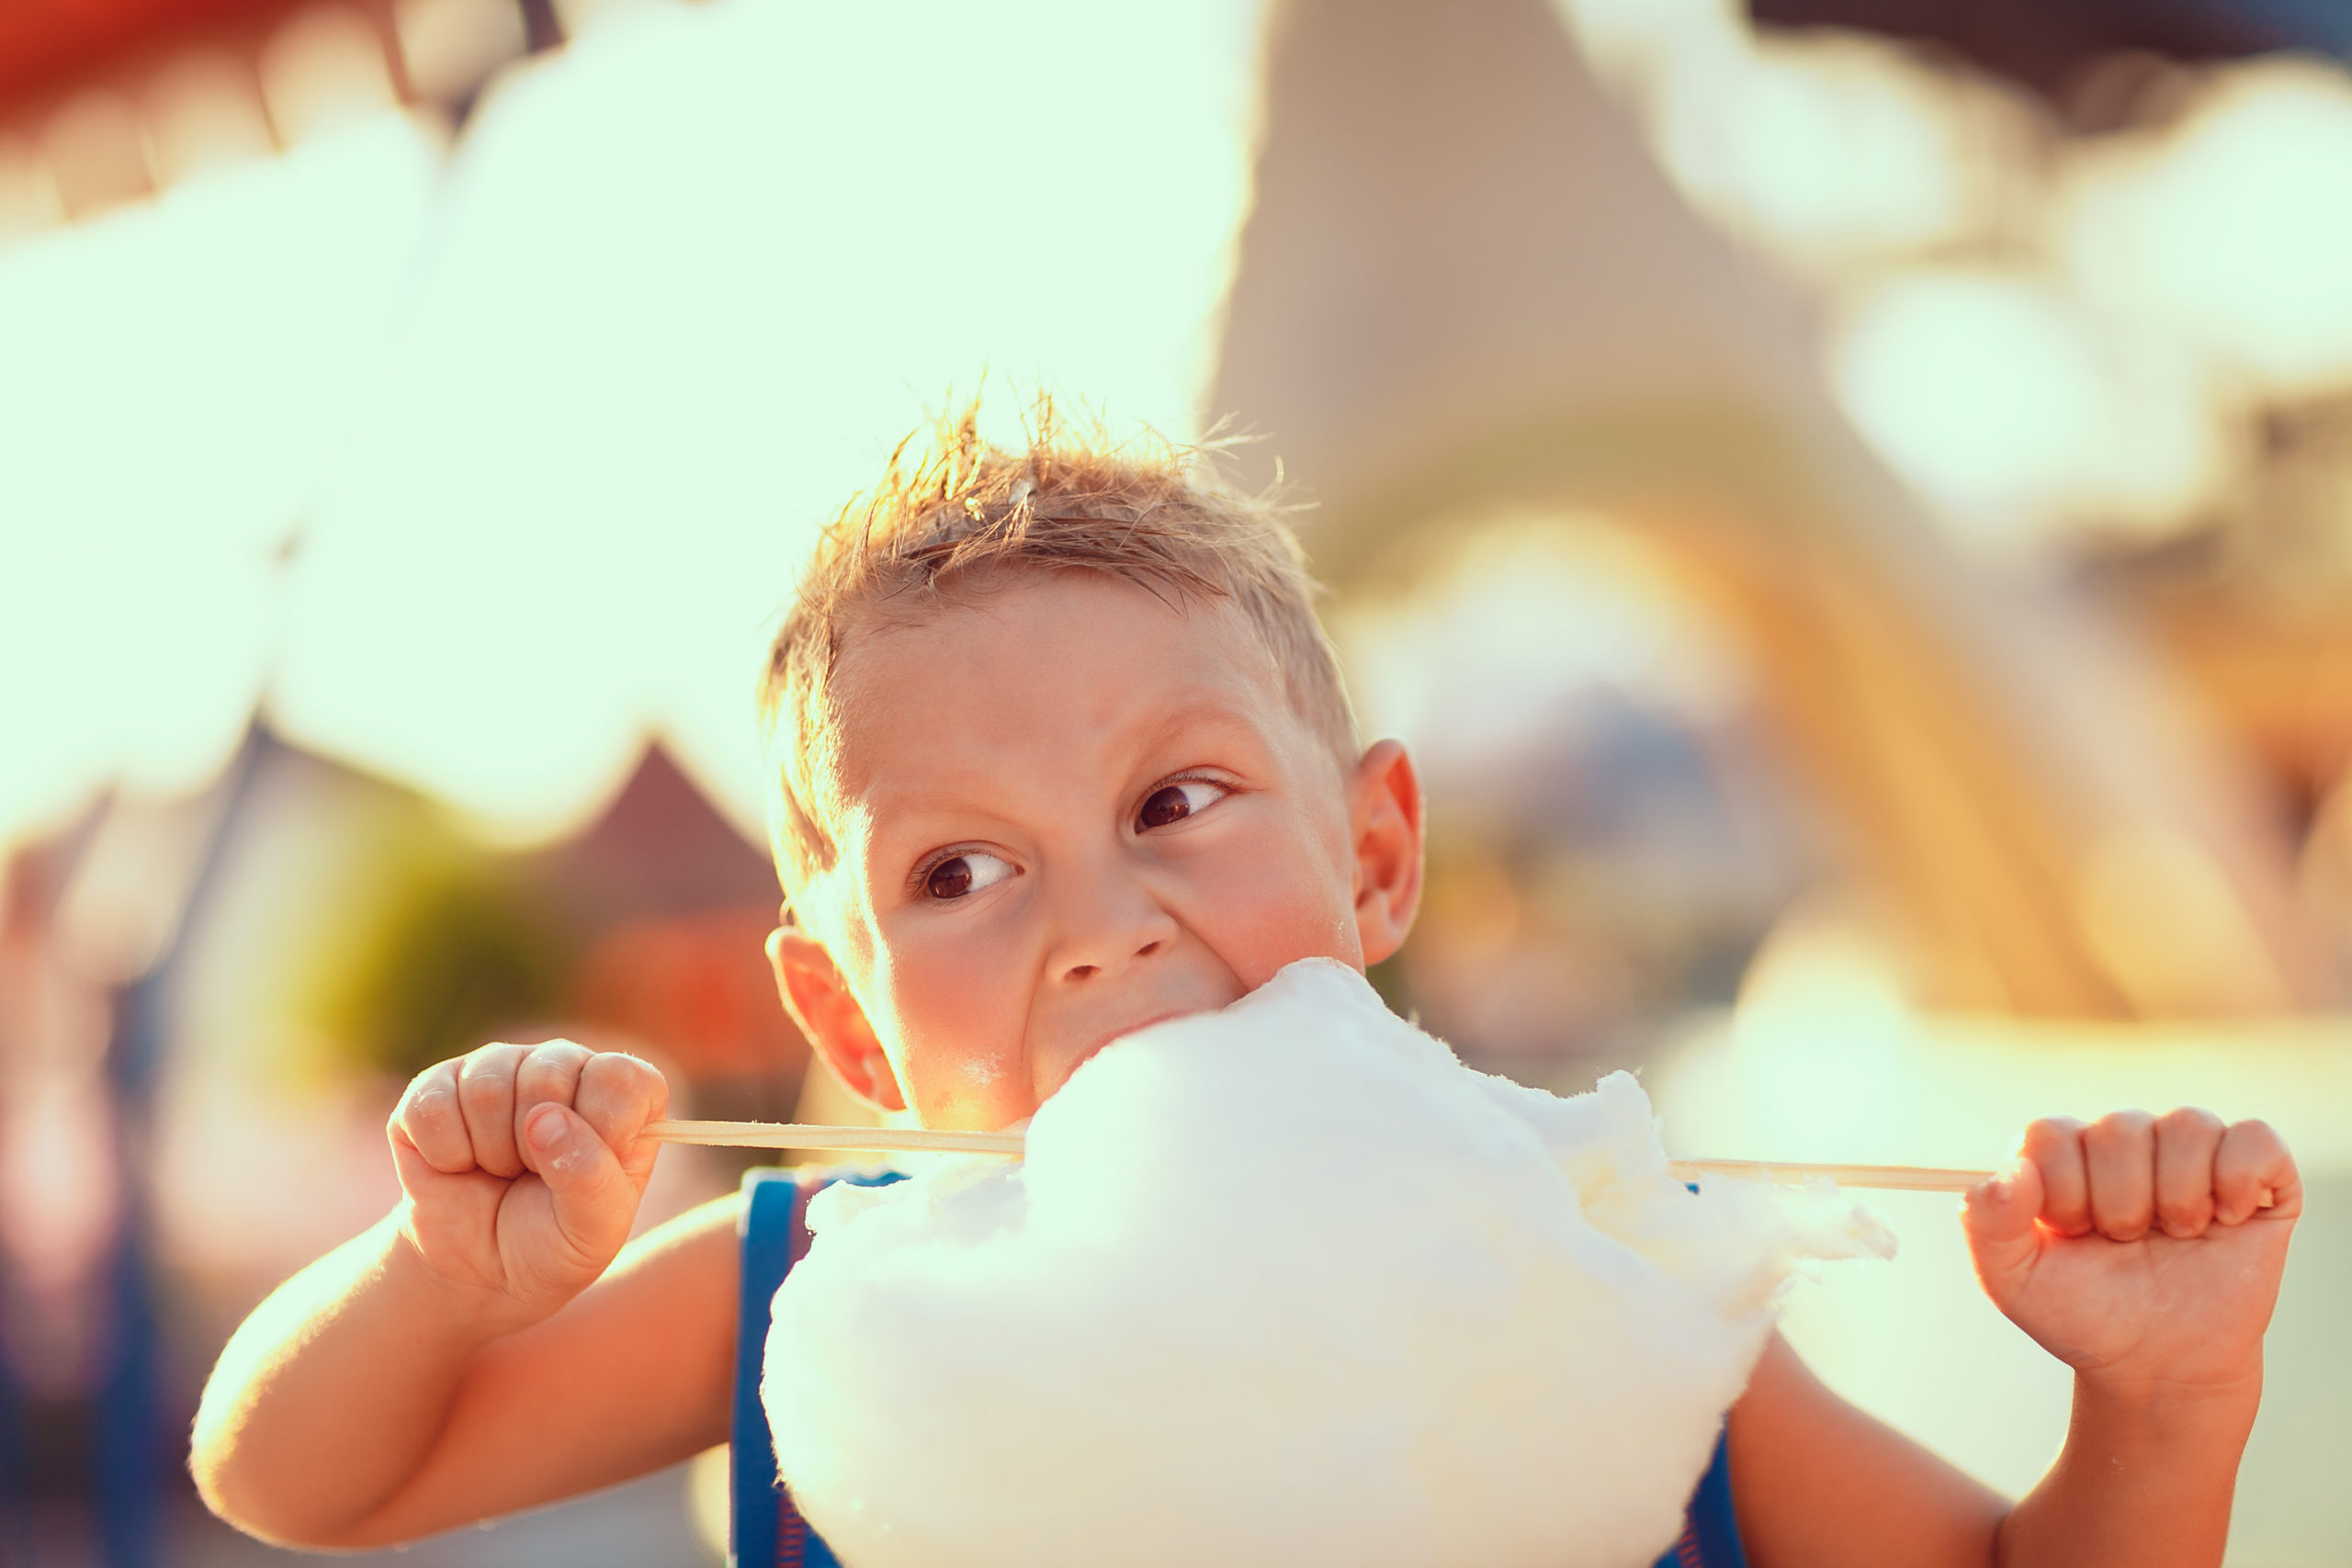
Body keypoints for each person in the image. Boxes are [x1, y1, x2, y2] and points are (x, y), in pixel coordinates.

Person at [193, 407, 2301, 1567]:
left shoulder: (1602, 1265)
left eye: (1177, 797)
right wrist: (437, 1272)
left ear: (1376, 851)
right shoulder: (788, 1289)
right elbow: (301, 1479)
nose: (1095, 921)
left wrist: (2159, 1387)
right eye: (955, 871)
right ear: (845, 1025)